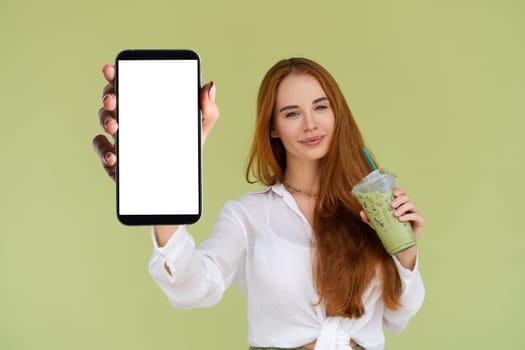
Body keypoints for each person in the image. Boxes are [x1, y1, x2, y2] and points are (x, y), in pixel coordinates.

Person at [93, 57, 425, 350]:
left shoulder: (369, 208)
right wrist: (166, 187)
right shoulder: (248, 216)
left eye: (321, 107)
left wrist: (406, 255)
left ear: (337, 114)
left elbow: (397, 318)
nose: (311, 123)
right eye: (292, 113)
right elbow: (192, 287)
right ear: (273, 128)